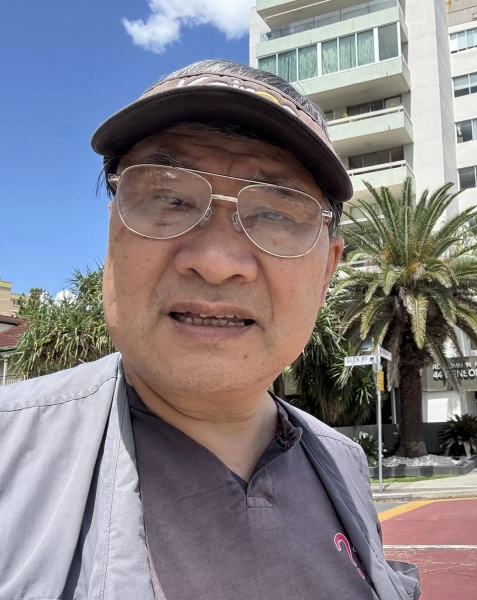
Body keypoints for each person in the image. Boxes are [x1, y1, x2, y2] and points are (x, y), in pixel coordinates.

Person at [0, 60, 419, 600]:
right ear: (112, 232)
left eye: (275, 213)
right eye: (170, 199)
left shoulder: (345, 464)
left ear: (326, 272)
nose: (217, 261)